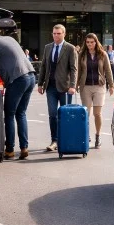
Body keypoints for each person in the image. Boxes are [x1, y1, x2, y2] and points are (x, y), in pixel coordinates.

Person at [0, 30, 36, 160]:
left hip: (18, 79)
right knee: (21, 113)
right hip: (30, 76)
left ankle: (9, 149)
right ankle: (24, 148)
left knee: (9, 114)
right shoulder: (9, 39)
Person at [37, 24, 78, 153]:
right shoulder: (48, 47)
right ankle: (54, 140)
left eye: (58, 33)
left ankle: (64, 140)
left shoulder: (70, 48)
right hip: (50, 86)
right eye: (54, 33)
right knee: (52, 115)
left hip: (65, 87)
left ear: (64, 34)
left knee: (65, 115)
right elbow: (44, 66)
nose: (56, 36)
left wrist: (72, 86)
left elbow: (74, 69)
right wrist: (40, 83)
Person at [78, 33, 114, 149]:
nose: (89, 44)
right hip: (85, 87)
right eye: (87, 42)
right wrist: (75, 84)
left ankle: (98, 136)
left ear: (96, 42)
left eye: (92, 42)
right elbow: (78, 70)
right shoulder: (82, 54)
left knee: (97, 114)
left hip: (99, 86)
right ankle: (86, 135)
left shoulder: (102, 54)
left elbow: (108, 70)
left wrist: (111, 85)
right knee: (86, 113)